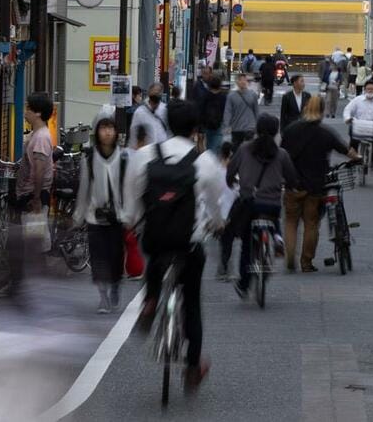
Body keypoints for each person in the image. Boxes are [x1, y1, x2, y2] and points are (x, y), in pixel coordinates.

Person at [126, 99, 226, 391]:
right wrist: (218, 224)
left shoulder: (144, 156)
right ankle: (193, 368)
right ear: (196, 129)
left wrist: (132, 220)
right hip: (189, 242)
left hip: (155, 238)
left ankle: (151, 299)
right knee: (192, 302)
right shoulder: (205, 161)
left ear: (167, 123)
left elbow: (132, 198)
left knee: (155, 256)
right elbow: (216, 203)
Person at [281, 96, 357, 272]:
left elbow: (282, 153)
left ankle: (290, 257)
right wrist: (357, 157)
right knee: (311, 223)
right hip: (315, 185)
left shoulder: (291, 130)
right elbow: (345, 150)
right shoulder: (325, 132)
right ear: (322, 111)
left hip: (293, 184)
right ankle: (306, 262)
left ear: (305, 108)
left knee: (291, 222)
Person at [226, 114, 298, 297]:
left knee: (246, 245)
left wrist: (232, 182)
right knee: (273, 217)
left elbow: (230, 171)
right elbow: (291, 178)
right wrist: (289, 186)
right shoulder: (281, 154)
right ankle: (276, 236)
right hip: (271, 205)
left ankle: (243, 284)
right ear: (276, 132)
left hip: (249, 202)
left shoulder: (243, 149)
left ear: (257, 130)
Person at [73, 113, 129, 313]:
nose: (107, 132)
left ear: (116, 132)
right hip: (94, 216)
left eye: (110, 128)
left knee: (115, 257)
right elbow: (84, 190)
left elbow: (129, 189)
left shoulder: (123, 157)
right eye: (103, 128)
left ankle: (115, 286)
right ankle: (103, 297)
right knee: (98, 259)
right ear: (97, 132)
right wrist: (78, 216)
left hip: (118, 216)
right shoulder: (88, 158)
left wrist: (132, 215)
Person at [3, 91, 54, 298]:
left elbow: (40, 169)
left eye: (28, 109)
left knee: (33, 243)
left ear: (38, 113)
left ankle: (31, 288)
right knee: (28, 243)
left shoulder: (41, 137)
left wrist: (34, 198)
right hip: (30, 196)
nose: (25, 112)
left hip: (32, 198)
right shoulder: (38, 135)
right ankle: (24, 286)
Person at [344, 80, 373, 170]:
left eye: (372, 89)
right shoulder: (357, 100)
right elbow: (348, 109)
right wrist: (348, 118)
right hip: (359, 126)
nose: (370, 91)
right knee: (353, 140)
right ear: (364, 90)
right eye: (368, 89)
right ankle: (354, 158)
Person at [223, 72, 259, 151]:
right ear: (236, 81)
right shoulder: (231, 95)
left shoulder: (252, 94)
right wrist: (227, 125)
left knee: (249, 149)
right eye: (240, 80)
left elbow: (256, 110)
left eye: (244, 80)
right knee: (236, 149)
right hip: (236, 127)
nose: (243, 82)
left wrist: (257, 125)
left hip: (250, 127)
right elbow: (228, 111)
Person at [129, 81, 169, 147]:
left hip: (163, 150)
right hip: (146, 151)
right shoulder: (140, 111)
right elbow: (134, 132)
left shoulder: (165, 109)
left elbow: (168, 131)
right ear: (149, 92)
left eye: (159, 91)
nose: (156, 92)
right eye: (154, 90)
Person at [196, 75, 227, 155]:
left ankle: (210, 159)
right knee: (215, 145)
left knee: (210, 143)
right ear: (220, 85)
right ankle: (212, 160)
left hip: (207, 124)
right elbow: (226, 111)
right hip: (219, 124)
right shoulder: (223, 96)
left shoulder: (205, 95)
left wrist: (200, 126)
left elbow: (201, 110)